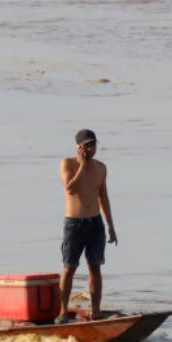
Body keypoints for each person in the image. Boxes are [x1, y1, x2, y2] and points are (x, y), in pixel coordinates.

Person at [56, 129, 117, 323]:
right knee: (69, 267)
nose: (91, 149)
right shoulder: (68, 164)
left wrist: (111, 225)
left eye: (94, 145)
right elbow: (70, 188)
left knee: (95, 267)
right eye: (87, 145)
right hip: (74, 223)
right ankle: (63, 311)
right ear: (79, 147)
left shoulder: (101, 168)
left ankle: (96, 310)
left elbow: (103, 197)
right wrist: (82, 166)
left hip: (95, 223)